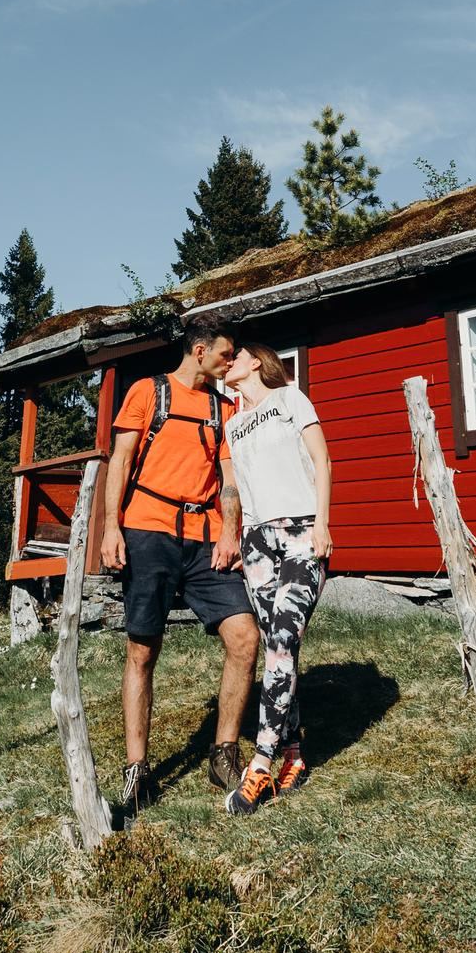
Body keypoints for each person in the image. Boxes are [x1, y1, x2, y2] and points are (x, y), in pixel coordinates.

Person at [99, 317, 260, 810]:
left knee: (245, 636)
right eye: (225, 354)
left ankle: (224, 752)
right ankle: (137, 770)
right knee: (143, 651)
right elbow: (120, 462)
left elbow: (228, 478)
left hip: (206, 540)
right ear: (198, 349)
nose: (230, 362)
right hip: (147, 530)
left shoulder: (222, 408)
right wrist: (111, 527)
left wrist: (231, 532)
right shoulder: (148, 393)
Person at [218, 341, 332, 815]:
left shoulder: (291, 398)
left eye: (236, 355)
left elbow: (322, 460)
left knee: (283, 640)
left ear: (257, 362)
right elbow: (239, 487)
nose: (229, 362)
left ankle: (260, 765)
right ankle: (293, 755)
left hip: (303, 529)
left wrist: (323, 523)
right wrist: (241, 538)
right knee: (277, 648)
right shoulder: (233, 424)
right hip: (258, 541)